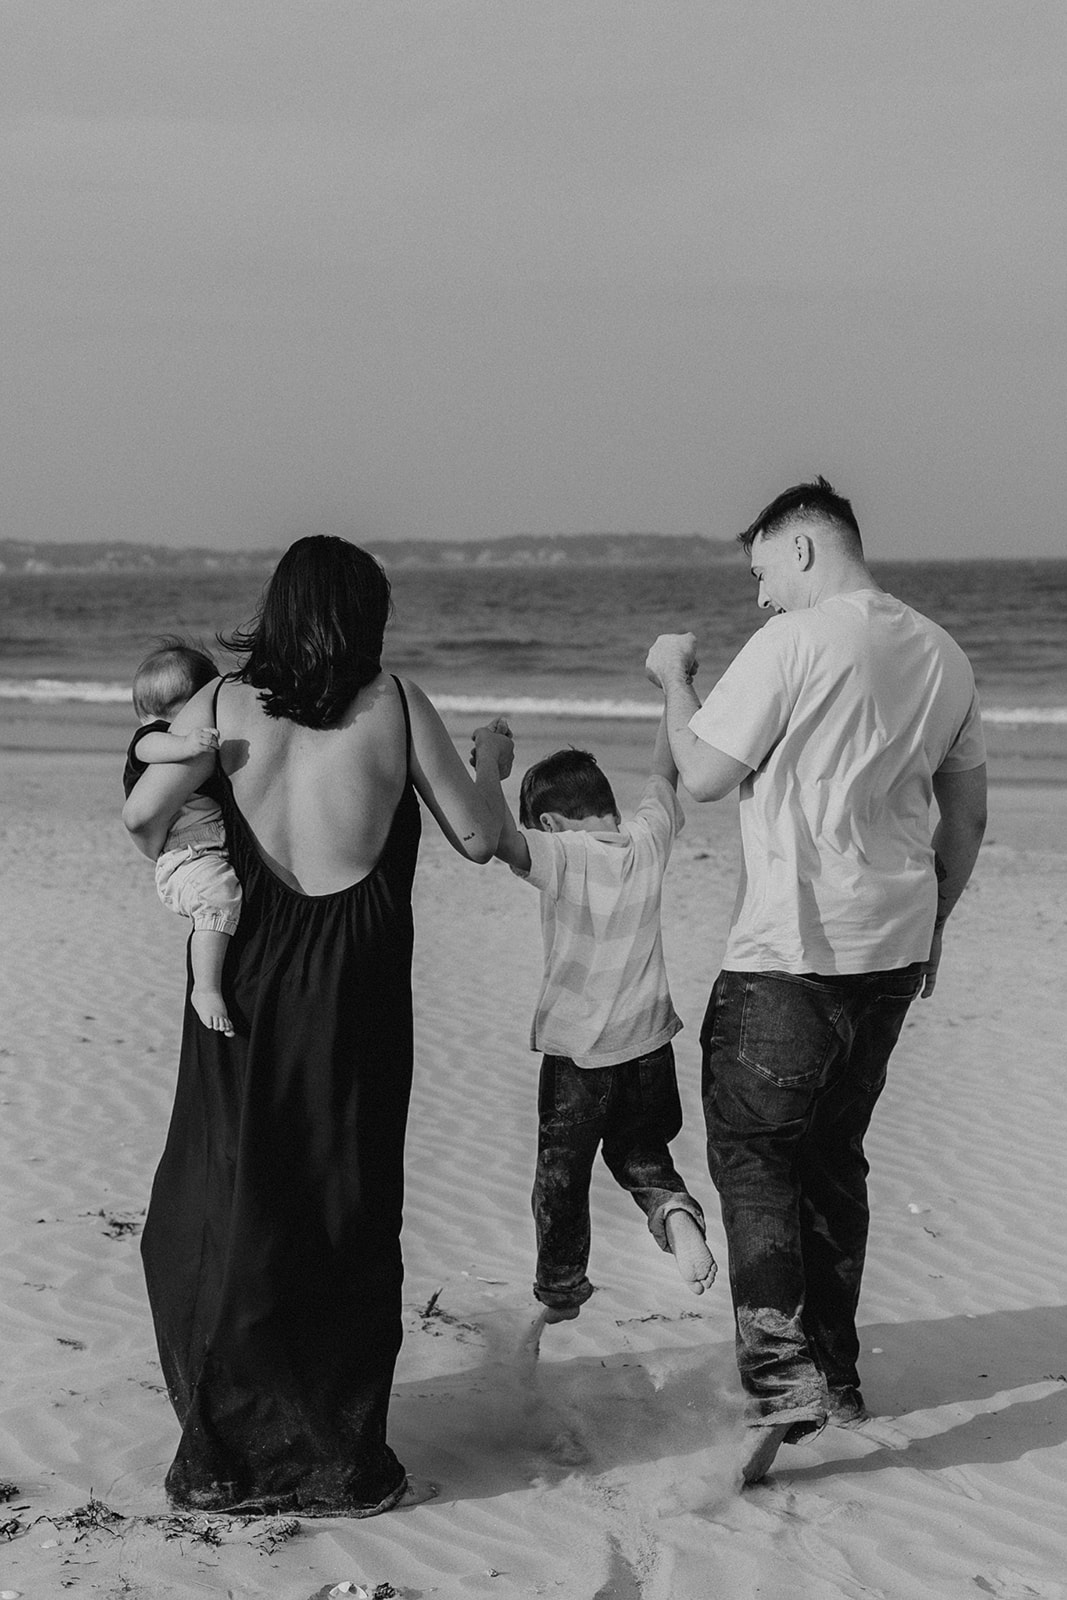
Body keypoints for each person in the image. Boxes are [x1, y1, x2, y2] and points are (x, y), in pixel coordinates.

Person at [122, 535, 512, 1517]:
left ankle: (220, 1457)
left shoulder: (218, 705)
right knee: (343, 1203)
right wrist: (490, 765)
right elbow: (474, 835)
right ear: (363, 618)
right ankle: (340, 1460)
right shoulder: (399, 701)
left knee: (225, 1195)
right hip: (357, 988)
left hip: (244, 976)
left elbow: (141, 821)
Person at [644, 477, 987, 1484]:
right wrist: (933, 928)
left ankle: (779, 1372)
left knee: (755, 1155)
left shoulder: (794, 642)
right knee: (833, 1156)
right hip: (890, 949)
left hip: (787, 956)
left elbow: (701, 774)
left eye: (758, 572)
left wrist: (674, 677)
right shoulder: (943, 652)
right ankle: (833, 1373)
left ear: (801, 547)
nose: (756, 597)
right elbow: (962, 820)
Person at [473, 717, 716, 1345]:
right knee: (641, 1153)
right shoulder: (646, 840)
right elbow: (665, 774)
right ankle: (673, 1211)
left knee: (562, 1175)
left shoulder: (559, 854)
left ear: (549, 825)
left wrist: (492, 764)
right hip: (650, 1046)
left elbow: (493, 835)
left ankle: (560, 1291)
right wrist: (670, 689)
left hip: (580, 1056)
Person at [124, 640, 242, 1037]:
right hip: (186, 850)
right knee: (218, 898)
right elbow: (148, 745)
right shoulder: (156, 737)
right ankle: (205, 988)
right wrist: (186, 744)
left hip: (205, 844)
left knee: (225, 896)